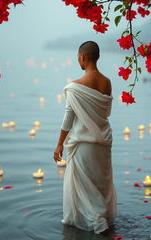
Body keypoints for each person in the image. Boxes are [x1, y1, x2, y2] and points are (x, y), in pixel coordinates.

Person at [53, 41, 117, 235]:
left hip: (83, 144)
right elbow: (106, 112)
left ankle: (97, 224)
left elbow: (68, 118)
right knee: (99, 184)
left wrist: (59, 144)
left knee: (85, 187)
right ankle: (103, 219)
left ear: (82, 57)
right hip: (103, 142)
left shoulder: (75, 87)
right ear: (97, 57)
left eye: (78, 57)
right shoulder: (107, 82)